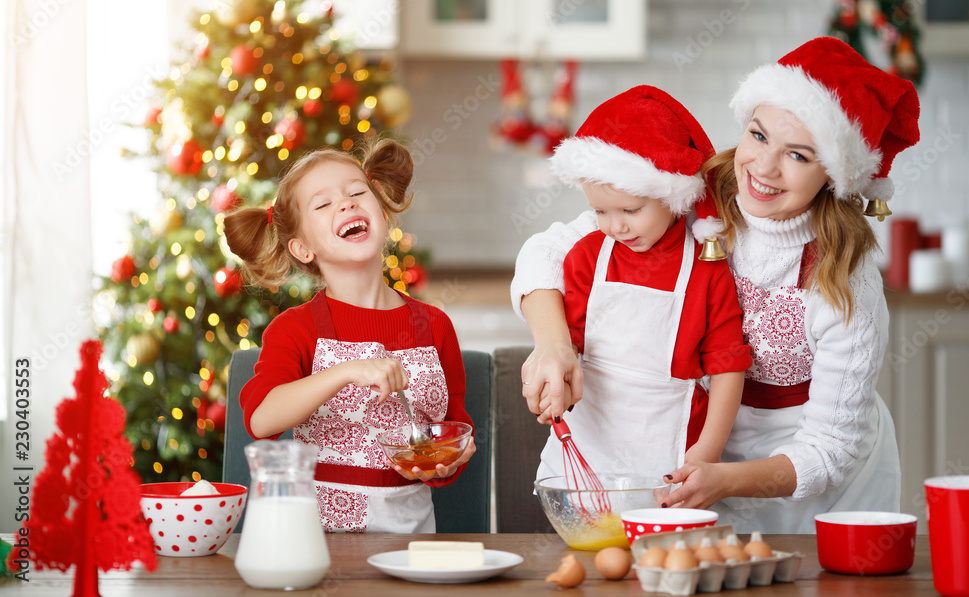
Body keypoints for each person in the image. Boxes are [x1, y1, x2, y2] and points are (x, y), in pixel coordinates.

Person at [511, 37, 920, 533]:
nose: (764, 168)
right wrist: (554, 346)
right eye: (759, 135)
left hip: (817, 492)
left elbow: (830, 450)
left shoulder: (845, 279)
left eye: (798, 155)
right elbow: (549, 250)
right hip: (702, 458)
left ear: (833, 174)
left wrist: (725, 478)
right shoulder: (692, 195)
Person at [223, 138, 475, 533]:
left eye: (358, 192)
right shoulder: (295, 329)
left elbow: (451, 431)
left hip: (410, 542)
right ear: (303, 248)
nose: (347, 203)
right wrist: (346, 371)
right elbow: (262, 418)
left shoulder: (435, 325)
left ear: (383, 213)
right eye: (323, 204)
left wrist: (446, 462)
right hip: (318, 544)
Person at [533, 85, 751, 484]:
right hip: (587, 451)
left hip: (670, 456)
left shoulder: (707, 266)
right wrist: (555, 389)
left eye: (631, 210)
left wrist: (708, 451)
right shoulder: (586, 257)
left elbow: (728, 368)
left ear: (671, 194)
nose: (615, 226)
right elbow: (571, 347)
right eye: (600, 210)